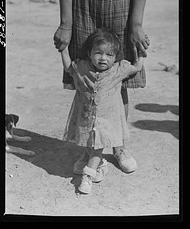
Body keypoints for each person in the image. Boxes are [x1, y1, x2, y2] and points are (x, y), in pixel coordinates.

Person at [53, 0, 150, 174]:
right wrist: (65, 23)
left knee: (116, 80)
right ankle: (89, 151)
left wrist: (136, 23)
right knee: (86, 79)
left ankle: (118, 146)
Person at [60, 28, 144, 194]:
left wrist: (139, 49)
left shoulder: (118, 69)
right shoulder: (82, 67)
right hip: (86, 116)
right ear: (89, 53)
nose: (103, 58)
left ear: (115, 57)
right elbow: (69, 66)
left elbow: (136, 67)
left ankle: (88, 175)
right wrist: (63, 48)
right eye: (98, 53)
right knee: (88, 140)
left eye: (109, 55)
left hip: (106, 121)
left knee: (98, 146)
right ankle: (97, 163)